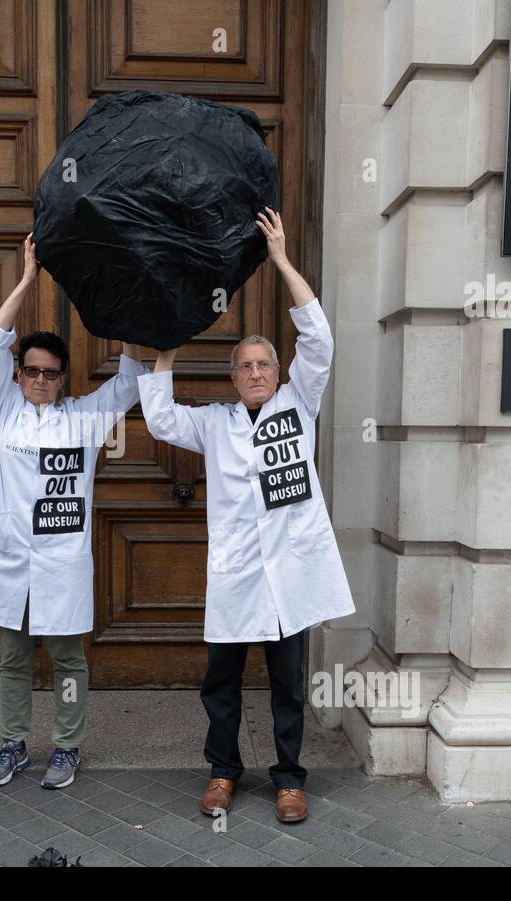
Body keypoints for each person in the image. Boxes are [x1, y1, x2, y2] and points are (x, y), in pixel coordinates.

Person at [138, 208, 354, 823]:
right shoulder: (215, 423)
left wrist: (282, 260)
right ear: (233, 378)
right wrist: (167, 351)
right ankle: (223, 773)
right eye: (245, 366)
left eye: (264, 364)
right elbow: (159, 419)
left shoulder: (299, 403)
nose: (256, 372)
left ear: (277, 372)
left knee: (288, 685)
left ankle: (289, 779)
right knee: (221, 684)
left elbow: (321, 341)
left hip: (289, 572)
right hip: (234, 574)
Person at [0, 235, 145, 789]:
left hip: (59, 559)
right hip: (6, 556)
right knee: (12, 656)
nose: (39, 379)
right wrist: (29, 279)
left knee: (68, 659)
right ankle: (13, 743)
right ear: (18, 376)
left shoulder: (83, 419)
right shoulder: (2, 409)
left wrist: (123, 303)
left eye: (50, 373)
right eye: (30, 370)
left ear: (63, 380)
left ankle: (67, 746)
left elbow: (130, 382)